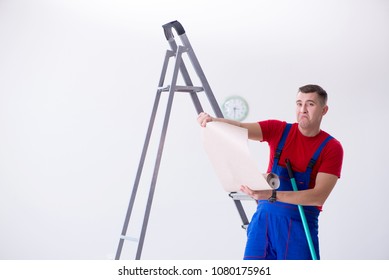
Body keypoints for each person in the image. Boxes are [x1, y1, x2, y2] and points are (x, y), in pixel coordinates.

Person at [197, 84, 343, 260]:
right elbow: (240, 127)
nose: (302, 109)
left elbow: (318, 196)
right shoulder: (279, 130)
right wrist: (213, 121)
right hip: (263, 224)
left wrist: (271, 194)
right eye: (299, 103)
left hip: (300, 227)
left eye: (310, 104)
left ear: (324, 110)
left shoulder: (331, 148)